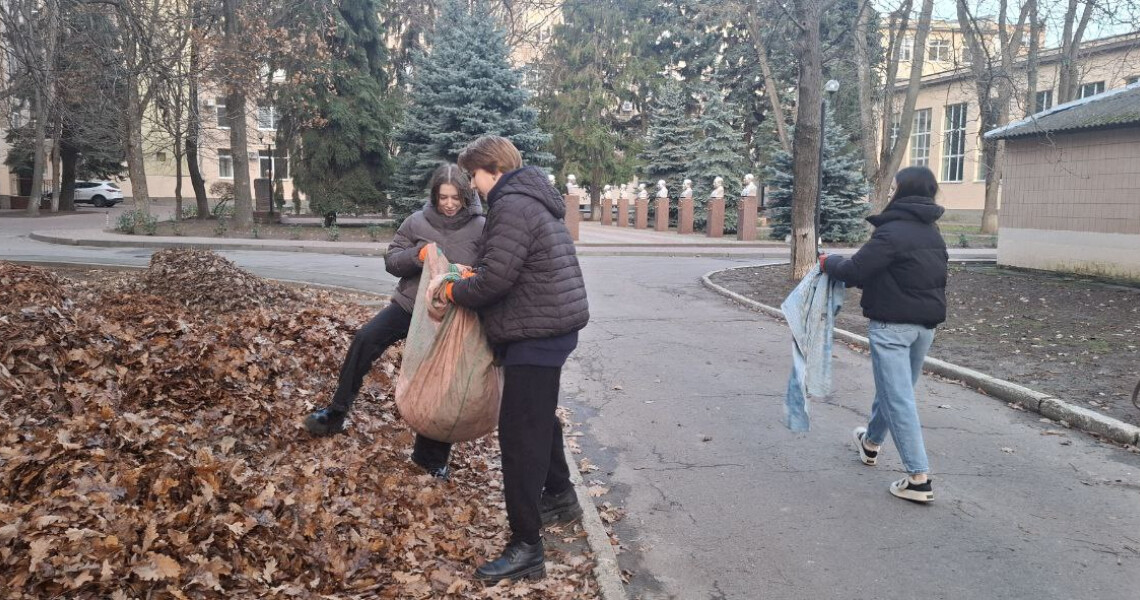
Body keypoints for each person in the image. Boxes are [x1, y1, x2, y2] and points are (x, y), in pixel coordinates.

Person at [431, 135, 589, 583]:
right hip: (549, 327)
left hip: (537, 333)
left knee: (520, 438)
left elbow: (495, 280)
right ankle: (559, 495)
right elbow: (505, 266)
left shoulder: (512, 204)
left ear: (492, 170)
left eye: (474, 176)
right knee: (537, 418)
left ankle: (526, 546)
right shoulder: (528, 197)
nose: (473, 186)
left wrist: (451, 290)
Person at [303, 164, 485, 480]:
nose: (450, 204)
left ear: (466, 197)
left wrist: (471, 272)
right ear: (434, 195)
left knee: (440, 383)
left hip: (450, 316)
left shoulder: (482, 227)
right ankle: (336, 412)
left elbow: (493, 268)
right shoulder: (417, 222)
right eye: (444, 197)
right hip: (409, 305)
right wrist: (419, 254)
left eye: (456, 198)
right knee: (365, 338)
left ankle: (432, 459)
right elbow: (391, 261)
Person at [819, 166, 948, 504]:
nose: (890, 191)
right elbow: (891, 273)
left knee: (898, 397)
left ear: (903, 191)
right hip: (925, 328)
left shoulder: (891, 232)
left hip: (892, 327)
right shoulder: (932, 232)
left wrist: (827, 261)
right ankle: (871, 443)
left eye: (893, 186)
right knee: (895, 391)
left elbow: (854, 271)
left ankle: (918, 478)